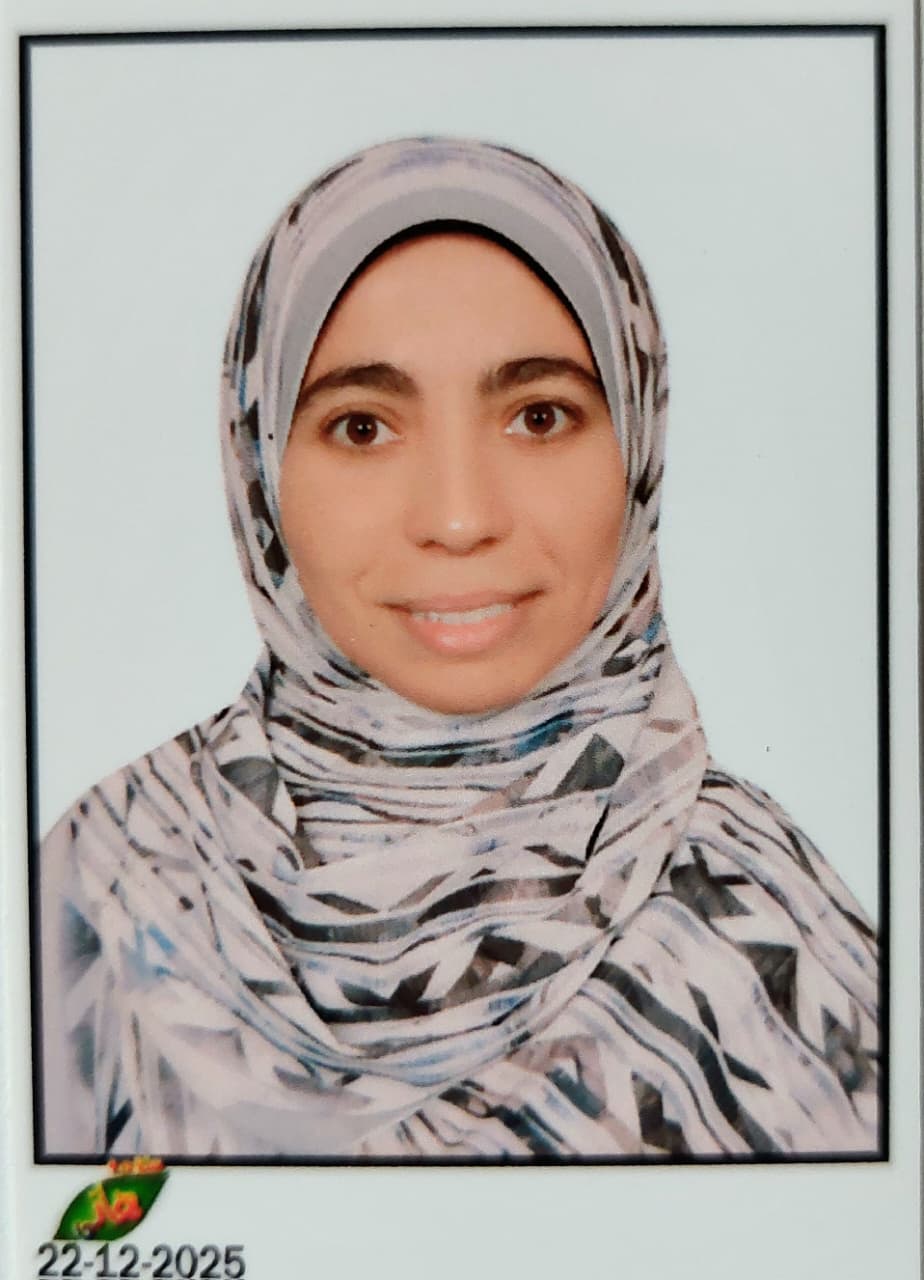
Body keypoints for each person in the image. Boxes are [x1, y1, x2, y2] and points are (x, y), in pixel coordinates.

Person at [39, 137, 878, 1159]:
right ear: (259, 466)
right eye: (362, 427)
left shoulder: (772, 941)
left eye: (539, 416)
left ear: (639, 445)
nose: (458, 517)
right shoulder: (104, 884)